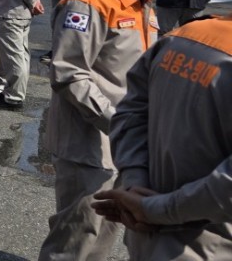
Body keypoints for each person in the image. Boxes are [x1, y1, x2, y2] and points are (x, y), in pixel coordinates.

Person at [36, 0, 184, 261]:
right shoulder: (90, 3)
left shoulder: (141, 2)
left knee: (104, 235)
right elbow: (69, 74)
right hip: (89, 144)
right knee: (77, 238)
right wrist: (119, 125)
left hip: (125, 144)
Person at [92, 20, 232, 258]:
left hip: (148, 235)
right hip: (210, 245)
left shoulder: (184, 36)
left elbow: (131, 115)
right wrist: (153, 208)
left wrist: (135, 186)